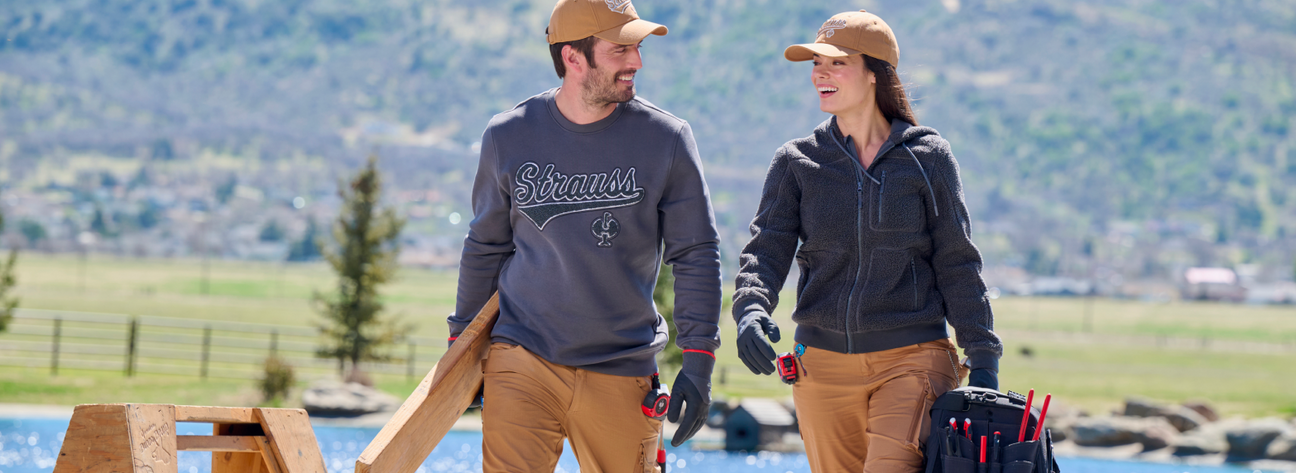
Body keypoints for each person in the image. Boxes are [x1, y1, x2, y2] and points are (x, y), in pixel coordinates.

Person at [449, 0, 722, 471]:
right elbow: (486, 246)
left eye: (636, 48)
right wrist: (462, 349)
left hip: (624, 365)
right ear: (573, 57)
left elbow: (696, 253)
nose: (637, 61)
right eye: (620, 49)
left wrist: (698, 357)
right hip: (523, 357)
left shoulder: (667, 139)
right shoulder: (507, 135)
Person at [731, 10, 1003, 472]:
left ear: (875, 73)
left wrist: (983, 358)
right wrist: (750, 309)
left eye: (837, 62)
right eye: (816, 63)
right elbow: (765, 250)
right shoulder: (797, 162)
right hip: (819, 367)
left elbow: (957, 261)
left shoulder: (927, 157)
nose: (821, 72)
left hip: (912, 360)